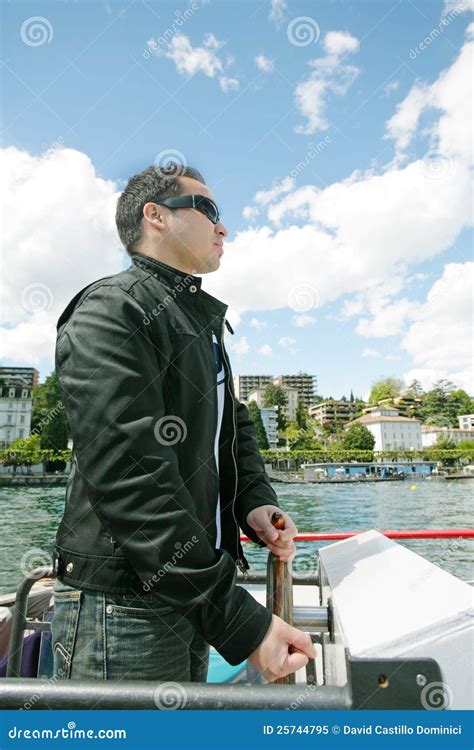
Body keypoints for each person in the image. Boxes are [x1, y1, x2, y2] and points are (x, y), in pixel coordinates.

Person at [51, 162, 315, 685]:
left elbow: (231, 428)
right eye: (209, 209)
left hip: (189, 599)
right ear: (156, 216)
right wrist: (239, 620)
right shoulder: (111, 310)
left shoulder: (201, 325)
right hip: (123, 606)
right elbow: (131, 479)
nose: (224, 227)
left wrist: (254, 502)